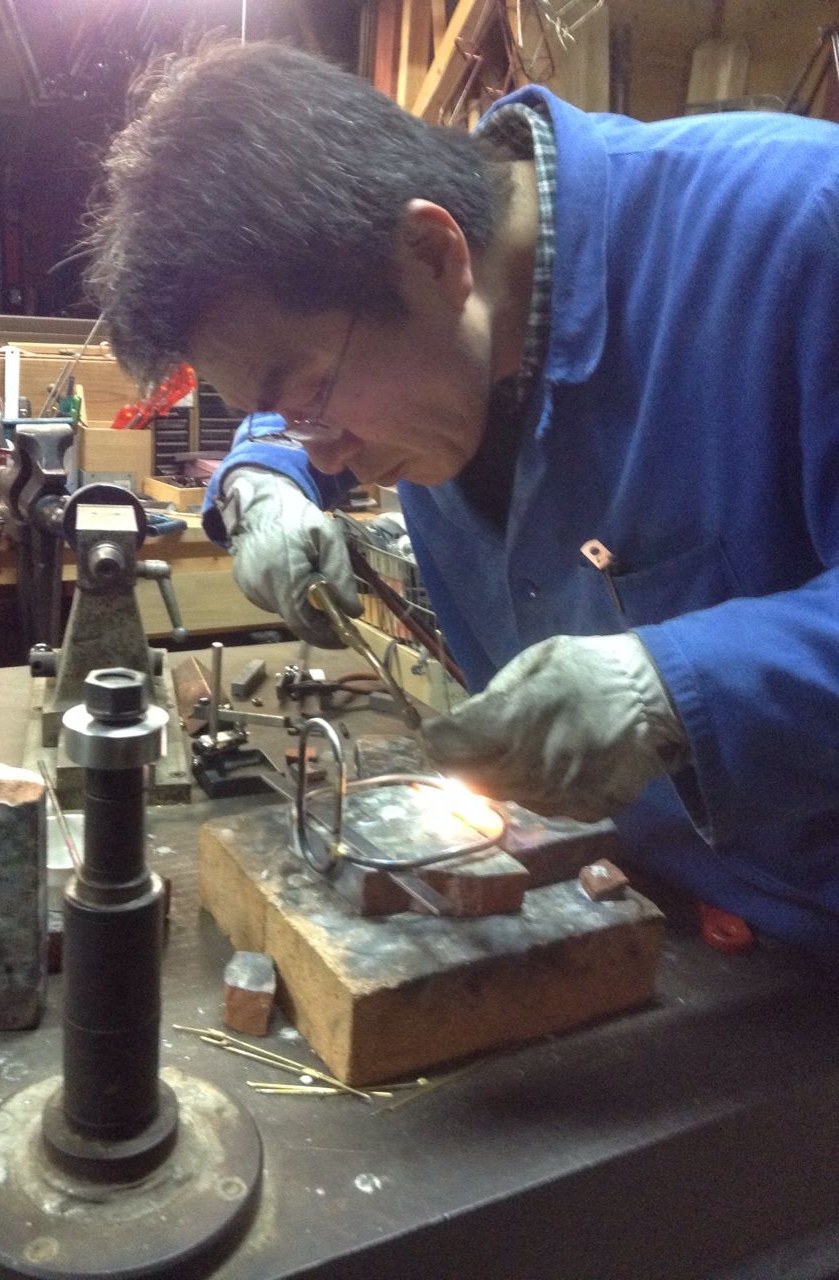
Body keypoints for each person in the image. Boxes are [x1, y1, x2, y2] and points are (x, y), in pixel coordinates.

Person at [85, 41, 839, 958]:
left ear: (434, 253)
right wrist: (262, 479)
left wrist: (678, 689)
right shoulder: (434, 333)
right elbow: (290, 404)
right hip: (630, 898)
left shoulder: (802, 229)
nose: (332, 453)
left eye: (309, 398)